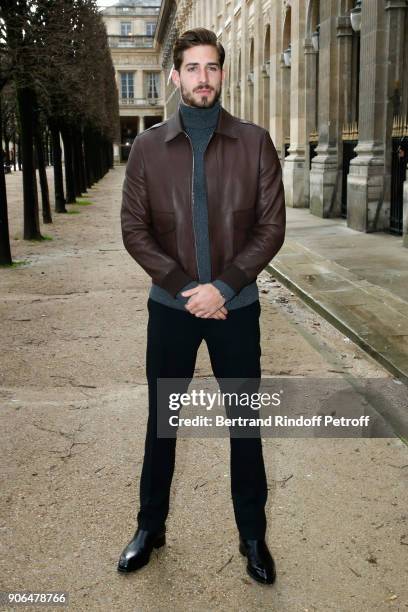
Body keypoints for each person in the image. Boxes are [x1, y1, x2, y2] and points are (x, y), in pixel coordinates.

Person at [118, 27, 286, 585]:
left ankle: (253, 535)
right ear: (175, 76)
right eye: (191, 68)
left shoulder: (255, 142)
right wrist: (190, 288)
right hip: (171, 307)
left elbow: (270, 227)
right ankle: (149, 526)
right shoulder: (146, 147)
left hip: (237, 307)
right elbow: (135, 229)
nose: (203, 78)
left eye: (211, 67)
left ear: (222, 73)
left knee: (244, 425)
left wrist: (227, 285)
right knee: (162, 423)